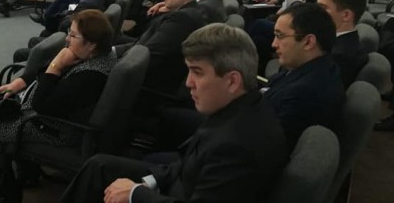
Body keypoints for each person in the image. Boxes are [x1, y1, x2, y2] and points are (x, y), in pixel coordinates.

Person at [61, 24, 288, 203]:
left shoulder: (237, 145)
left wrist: (135, 194)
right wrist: (149, 183)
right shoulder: (237, 107)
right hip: (180, 185)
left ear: (232, 81)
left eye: (197, 72)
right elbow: (186, 165)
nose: (189, 83)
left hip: (181, 193)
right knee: (99, 167)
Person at [0, 10, 116, 196]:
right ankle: (28, 173)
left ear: (91, 43)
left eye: (73, 35)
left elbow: (42, 106)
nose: (67, 39)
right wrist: (22, 81)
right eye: (69, 32)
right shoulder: (97, 56)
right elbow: (49, 75)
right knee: (1, 107)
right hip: (54, 117)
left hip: (58, 129)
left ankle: (9, 192)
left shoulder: (91, 76)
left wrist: (56, 66)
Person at [263, 3, 346, 149]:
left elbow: (268, 145)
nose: (274, 44)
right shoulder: (311, 66)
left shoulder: (306, 92)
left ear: (308, 42)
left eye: (280, 36)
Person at [119, 0, 207, 99]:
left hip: (140, 88)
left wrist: (111, 62)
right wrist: (112, 51)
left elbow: (146, 56)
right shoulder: (187, 12)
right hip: (134, 69)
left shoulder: (182, 20)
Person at [317, 0, 369, 87]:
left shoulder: (339, 56)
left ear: (346, 15)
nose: (315, 12)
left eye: (323, 8)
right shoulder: (343, 42)